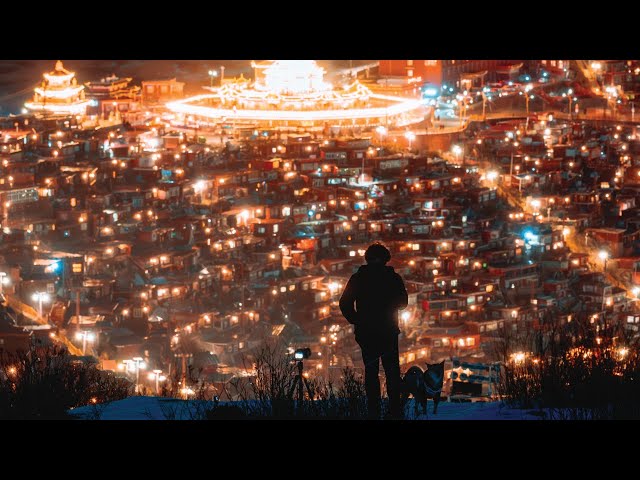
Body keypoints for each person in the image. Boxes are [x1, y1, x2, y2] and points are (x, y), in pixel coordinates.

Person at [339, 242, 408, 419]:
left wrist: (357, 320)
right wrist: (389, 306)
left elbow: (344, 303)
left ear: (368, 258)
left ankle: (373, 410)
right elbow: (403, 303)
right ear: (385, 259)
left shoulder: (358, 278)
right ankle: (394, 410)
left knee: (371, 372)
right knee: (392, 371)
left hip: (367, 333)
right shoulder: (393, 278)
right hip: (388, 331)